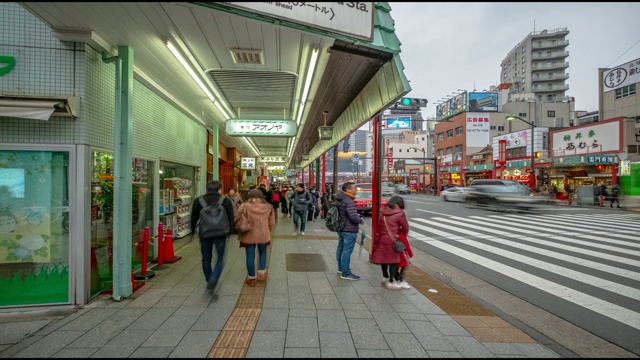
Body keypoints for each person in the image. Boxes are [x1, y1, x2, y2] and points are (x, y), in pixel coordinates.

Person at [190, 181, 235, 290]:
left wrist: (192, 231)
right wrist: (230, 231)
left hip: (205, 233)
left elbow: (193, 217)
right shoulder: (225, 200)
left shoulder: (199, 200)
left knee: (206, 258)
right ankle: (214, 278)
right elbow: (230, 218)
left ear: (207, 189)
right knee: (220, 258)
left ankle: (209, 277)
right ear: (220, 189)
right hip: (220, 233)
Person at [235, 188, 275, 287]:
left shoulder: (244, 206)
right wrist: (267, 230)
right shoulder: (269, 206)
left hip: (248, 234)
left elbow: (237, 218)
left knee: (250, 256)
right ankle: (261, 272)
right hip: (263, 234)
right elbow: (272, 222)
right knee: (262, 253)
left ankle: (252, 278)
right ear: (262, 196)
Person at [370, 195, 410, 289]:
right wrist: (401, 234)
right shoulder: (400, 213)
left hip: (382, 238)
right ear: (398, 205)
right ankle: (392, 281)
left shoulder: (383, 211)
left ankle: (385, 277)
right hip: (393, 240)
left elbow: (379, 226)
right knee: (394, 261)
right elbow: (405, 228)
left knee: (384, 258)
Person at [336, 182, 364, 281]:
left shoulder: (340, 198)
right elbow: (353, 216)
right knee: (346, 251)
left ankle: (341, 268)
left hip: (341, 227)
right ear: (348, 190)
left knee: (341, 248)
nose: (356, 190)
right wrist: (360, 220)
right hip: (349, 229)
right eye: (354, 188)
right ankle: (346, 273)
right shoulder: (348, 201)